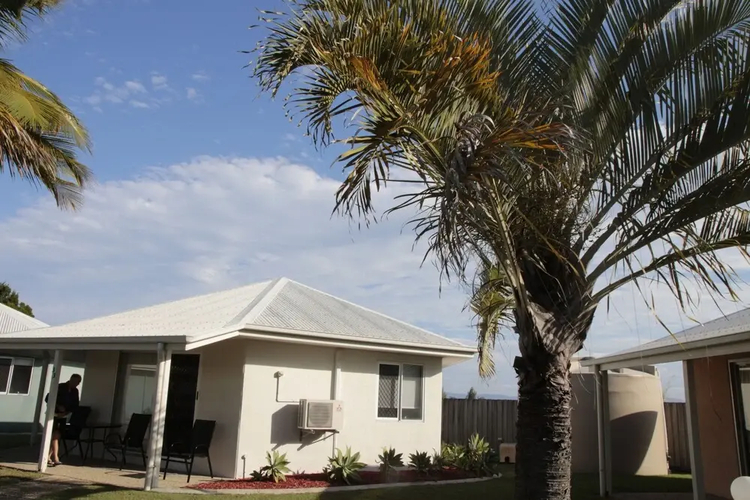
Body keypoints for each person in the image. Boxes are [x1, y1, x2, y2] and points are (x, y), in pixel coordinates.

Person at [44, 374, 81, 467]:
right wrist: (58, 406)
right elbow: (48, 398)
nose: (74, 383)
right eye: (73, 381)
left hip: (64, 416)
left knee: (57, 436)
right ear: (70, 379)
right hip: (54, 414)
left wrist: (66, 412)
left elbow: (75, 405)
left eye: (76, 382)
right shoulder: (60, 387)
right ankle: (55, 457)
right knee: (55, 435)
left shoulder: (75, 391)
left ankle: (48, 457)